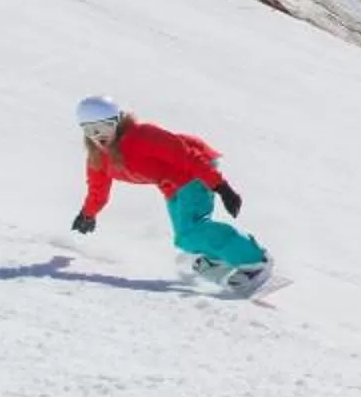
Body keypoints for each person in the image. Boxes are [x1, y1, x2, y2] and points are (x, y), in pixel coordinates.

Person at [71, 96, 271, 283]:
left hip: (193, 172)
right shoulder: (98, 158)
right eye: (90, 131)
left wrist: (221, 187)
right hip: (170, 185)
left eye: (103, 127)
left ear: (118, 121)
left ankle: (254, 261)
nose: (98, 136)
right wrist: (88, 214)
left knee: (191, 230)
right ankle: (218, 259)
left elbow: (187, 156)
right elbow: (97, 189)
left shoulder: (143, 136)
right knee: (183, 240)